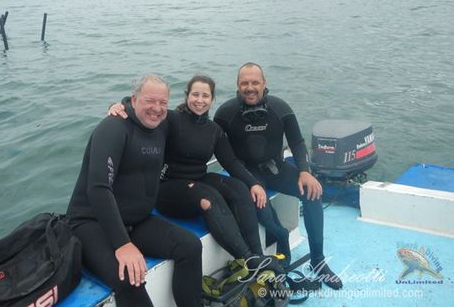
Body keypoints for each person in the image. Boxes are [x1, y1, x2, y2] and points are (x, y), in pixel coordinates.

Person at [109, 75, 284, 274]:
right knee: (208, 197)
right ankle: (247, 258)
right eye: (195, 94)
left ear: (212, 99)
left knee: (239, 188)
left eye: (205, 96)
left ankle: (258, 255)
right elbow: (143, 109)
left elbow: (231, 162)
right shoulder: (172, 119)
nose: (200, 100)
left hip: (198, 178)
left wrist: (254, 183)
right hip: (168, 187)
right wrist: (120, 105)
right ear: (187, 96)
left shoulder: (214, 130)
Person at [67, 75, 202, 307]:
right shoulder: (112, 128)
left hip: (136, 221)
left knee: (190, 246)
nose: (157, 109)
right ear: (134, 99)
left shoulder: (163, 123)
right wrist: (123, 244)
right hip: (91, 224)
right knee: (130, 278)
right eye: (150, 101)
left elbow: (193, 117)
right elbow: (98, 188)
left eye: (163, 103)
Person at [213, 62, 343, 290]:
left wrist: (305, 170)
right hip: (244, 174)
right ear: (237, 85)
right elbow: (217, 149)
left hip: (276, 168)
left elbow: (297, 141)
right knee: (264, 214)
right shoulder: (225, 114)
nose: (250, 87)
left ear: (264, 84)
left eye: (255, 82)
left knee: (312, 194)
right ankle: (282, 238)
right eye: (245, 83)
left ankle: (318, 260)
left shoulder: (279, 108)